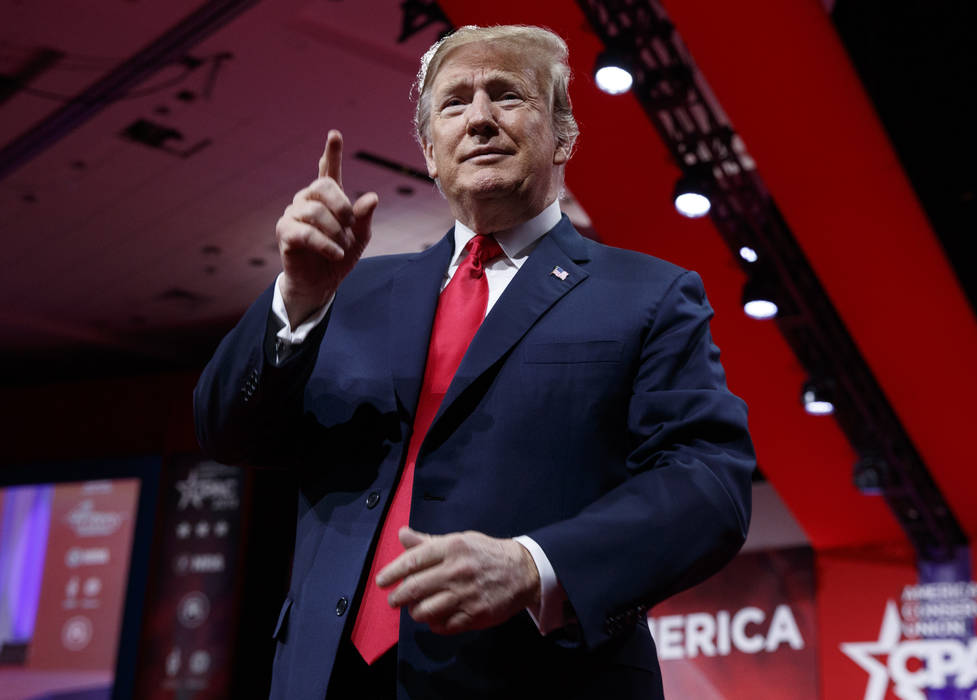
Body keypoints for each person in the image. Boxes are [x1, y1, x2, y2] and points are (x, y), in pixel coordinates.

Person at [194, 24, 755, 700]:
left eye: (507, 95)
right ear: (431, 153)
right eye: (455, 103)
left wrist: (535, 566)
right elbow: (225, 431)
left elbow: (708, 485)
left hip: (538, 678)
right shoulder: (349, 290)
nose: (481, 117)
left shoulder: (649, 295)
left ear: (565, 136)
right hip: (328, 681)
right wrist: (298, 297)